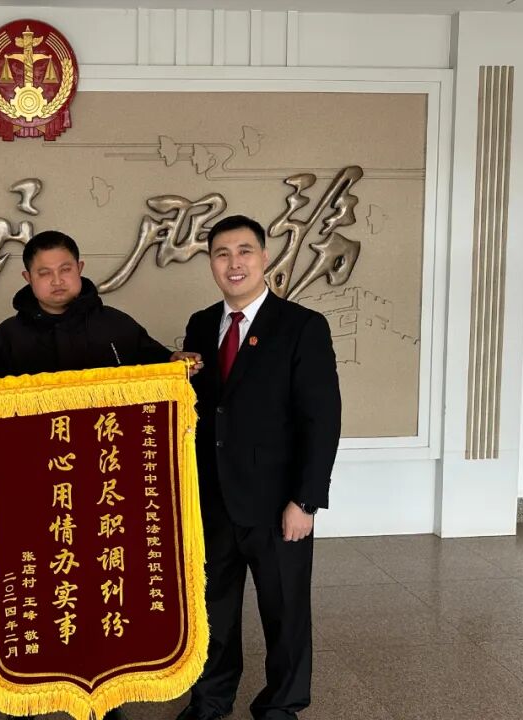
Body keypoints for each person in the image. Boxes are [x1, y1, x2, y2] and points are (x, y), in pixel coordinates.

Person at [0, 229, 201, 720]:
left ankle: (108, 696)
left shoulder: (116, 327)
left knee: (107, 590)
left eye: (65, 269)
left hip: (110, 493)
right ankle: (48, 688)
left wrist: (176, 365)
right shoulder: (6, 339)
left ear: (81, 269)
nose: (57, 280)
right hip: (39, 499)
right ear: (27, 278)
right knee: (50, 592)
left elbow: (159, 370)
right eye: (44, 273)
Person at [176, 215, 341, 720]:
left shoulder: (302, 326)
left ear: (265, 258)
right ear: (211, 263)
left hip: (277, 503)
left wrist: (306, 501)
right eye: (222, 254)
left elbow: (322, 419)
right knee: (213, 612)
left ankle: (281, 705)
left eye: (244, 251)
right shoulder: (201, 324)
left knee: (284, 611)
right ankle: (210, 700)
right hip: (212, 500)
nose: (234, 263)